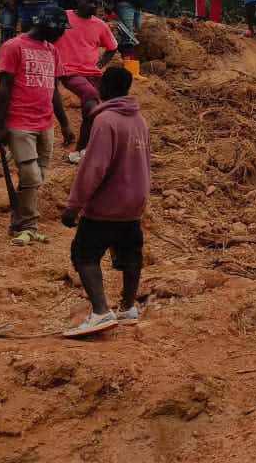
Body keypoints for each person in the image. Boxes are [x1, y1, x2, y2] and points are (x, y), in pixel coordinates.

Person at [60, 66, 150, 337]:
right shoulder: (140, 121)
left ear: (105, 88)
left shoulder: (105, 121)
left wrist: (74, 205)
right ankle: (127, 307)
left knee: (84, 254)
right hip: (135, 203)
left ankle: (100, 311)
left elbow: (94, 168)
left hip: (107, 205)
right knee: (130, 254)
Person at [0, 4, 75, 246]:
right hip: (19, 122)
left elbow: (54, 92)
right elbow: (4, 89)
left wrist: (65, 124)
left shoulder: (52, 51)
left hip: (45, 122)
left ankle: (18, 224)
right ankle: (28, 226)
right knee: (29, 174)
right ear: (47, 26)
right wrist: (0, 126)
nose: (62, 35)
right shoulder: (13, 47)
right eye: (60, 30)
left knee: (36, 177)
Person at [55, 0, 117, 160]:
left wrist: (101, 64)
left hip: (93, 73)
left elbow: (112, 47)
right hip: (69, 72)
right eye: (89, 1)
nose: (93, 6)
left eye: (96, 3)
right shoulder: (63, 16)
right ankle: (87, 147)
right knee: (90, 96)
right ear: (78, 1)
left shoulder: (100, 25)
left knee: (93, 110)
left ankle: (81, 151)